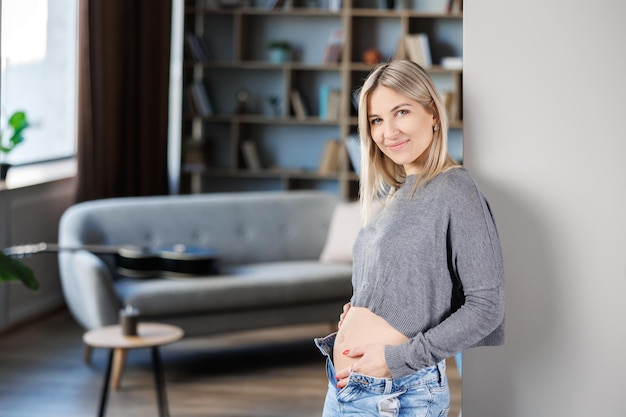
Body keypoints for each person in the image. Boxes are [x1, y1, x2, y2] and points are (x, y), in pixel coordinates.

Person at [314, 59, 505, 416]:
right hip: (346, 386)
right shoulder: (397, 194)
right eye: (376, 120)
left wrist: (397, 359)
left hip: (396, 392)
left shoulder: (455, 189)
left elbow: (487, 307)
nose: (388, 132)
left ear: (433, 112)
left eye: (401, 112)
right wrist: (360, 311)